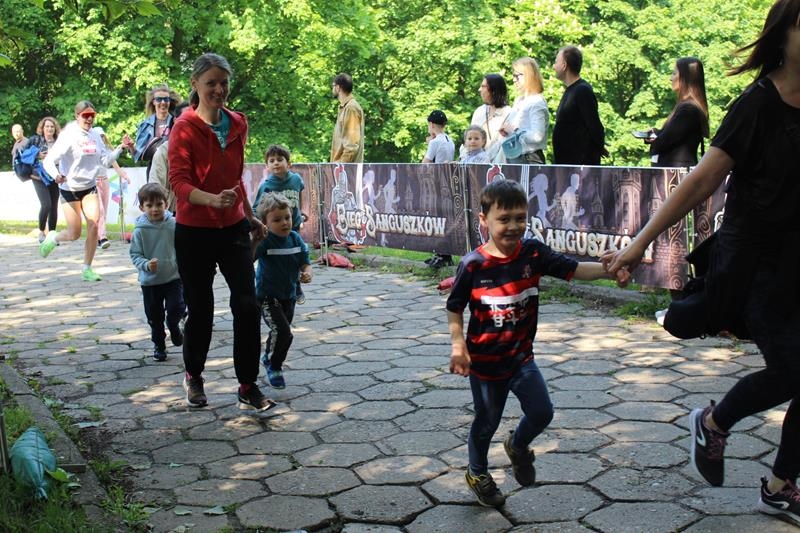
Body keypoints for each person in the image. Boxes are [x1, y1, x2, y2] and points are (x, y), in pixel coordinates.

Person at [603, 1, 800, 526]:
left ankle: (780, 485)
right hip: (754, 262)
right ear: (783, 35)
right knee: (793, 369)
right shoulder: (757, 105)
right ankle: (715, 423)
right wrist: (639, 243)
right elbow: (700, 180)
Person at [447, 179, 628, 508]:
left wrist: (610, 271)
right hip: (486, 365)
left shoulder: (533, 253)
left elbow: (575, 269)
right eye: (504, 219)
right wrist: (458, 347)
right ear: (484, 220)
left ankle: (517, 446)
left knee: (542, 412)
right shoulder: (473, 264)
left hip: (521, 359)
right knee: (486, 423)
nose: (513, 226)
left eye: (520, 218)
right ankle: (477, 473)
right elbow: (455, 307)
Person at [168, 52, 274, 412]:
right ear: (195, 85)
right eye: (210, 82)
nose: (218, 89)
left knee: (246, 304)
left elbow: (235, 179)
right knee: (201, 309)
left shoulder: (238, 123)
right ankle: (194, 375)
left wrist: (249, 216)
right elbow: (179, 184)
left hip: (232, 228)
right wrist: (211, 200)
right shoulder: (183, 128)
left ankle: (247, 385)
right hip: (194, 231)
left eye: (223, 82)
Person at [40, 101, 131, 281]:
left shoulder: (95, 135)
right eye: (85, 116)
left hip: (89, 187)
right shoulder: (68, 135)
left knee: (94, 224)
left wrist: (120, 148)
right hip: (70, 188)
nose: (89, 119)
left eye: (92, 116)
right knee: (74, 233)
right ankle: (54, 238)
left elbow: (105, 160)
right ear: (77, 116)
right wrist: (56, 175)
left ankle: (87, 269)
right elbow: (48, 161)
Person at [253, 192, 312, 389]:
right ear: (265, 223)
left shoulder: (295, 239)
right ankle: (274, 366)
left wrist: (307, 273)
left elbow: (305, 262)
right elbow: (249, 258)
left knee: (279, 332)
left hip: (289, 296)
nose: (284, 223)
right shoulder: (265, 241)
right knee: (284, 332)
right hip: (268, 297)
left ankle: (268, 355)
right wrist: (254, 240)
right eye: (277, 220)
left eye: (287, 217)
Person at [129, 183, 185, 362]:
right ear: (141, 207)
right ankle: (159, 345)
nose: (155, 209)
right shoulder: (140, 230)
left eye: (159, 204)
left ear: (166, 204)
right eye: (149, 205)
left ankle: (174, 326)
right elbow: (135, 254)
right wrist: (146, 264)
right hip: (150, 282)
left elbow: (183, 247)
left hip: (173, 277)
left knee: (177, 308)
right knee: (154, 317)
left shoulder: (173, 224)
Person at [252, 144, 308, 304]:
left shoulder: (296, 179)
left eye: (280, 159)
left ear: (288, 163)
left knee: (294, 256)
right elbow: (257, 208)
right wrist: (261, 225)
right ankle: (270, 288)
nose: (276, 163)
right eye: (272, 161)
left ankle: (296, 286)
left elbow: (299, 193)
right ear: (267, 166)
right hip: (274, 230)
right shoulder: (267, 186)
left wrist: (301, 211)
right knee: (279, 257)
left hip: (293, 225)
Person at [642, 57, 709, 167]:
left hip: (676, 173)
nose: (671, 78)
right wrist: (656, 133)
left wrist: (655, 139)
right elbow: (673, 136)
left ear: (685, 77)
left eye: (674, 73)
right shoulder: (688, 107)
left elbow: (664, 142)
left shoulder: (688, 110)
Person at [552, 46, 606, 165]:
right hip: (567, 164)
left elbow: (594, 125)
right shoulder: (571, 90)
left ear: (564, 65)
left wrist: (599, 146)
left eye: (556, 62)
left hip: (579, 166)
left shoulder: (582, 90)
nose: (553, 66)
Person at [499, 57, 549, 164]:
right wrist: (507, 131)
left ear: (529, 76)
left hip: (530, 158)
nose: (514, 80)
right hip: (516, 156)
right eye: (513, 76)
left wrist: (515, 131)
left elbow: (538, 136)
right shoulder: (520, 100)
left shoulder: (537, 102)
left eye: (517, 76)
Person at [422, 110, 455, 269]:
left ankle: (442, 254)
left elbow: (425, 163)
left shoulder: (434, 142)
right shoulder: (450, 140)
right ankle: (443, 254)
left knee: (437, 219)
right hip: (447, 182)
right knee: (445, 218)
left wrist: (429, 144)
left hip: (435, 182)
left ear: (431, 124)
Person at [149, 101, 191, 213]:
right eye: (187, 118)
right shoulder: (164, 152)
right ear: (175, 121)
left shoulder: (207, 147)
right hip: (174, 214)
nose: (191, 122)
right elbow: (156, 189)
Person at [24, 117, 61, 243]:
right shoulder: (35, 140)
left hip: (55, 176)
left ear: (55, 128)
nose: (50, 128)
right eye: (47, 126)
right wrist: (37, 155)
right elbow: (24, 155)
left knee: (54, 206)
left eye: (52, 126)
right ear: (42, 128)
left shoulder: (59, 142)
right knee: (46, 204)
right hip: (39, 177)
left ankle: (52, 235)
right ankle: (41, 231)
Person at [92, 126, 130, 249]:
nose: (101, 139)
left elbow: (115, 166)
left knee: (104, 210)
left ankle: (99, 238)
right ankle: (102, 237)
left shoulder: (107, 150)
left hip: (104, 182)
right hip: (93, 183)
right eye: (99, 137)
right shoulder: (90, 150)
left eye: (102, 136)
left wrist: (125, 176)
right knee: (100, 211)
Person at [132, 84, 181, 164]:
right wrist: (131, 147)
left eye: (166, 99)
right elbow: (138, 156)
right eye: (159, 99)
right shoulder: (145, 125)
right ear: (153, 102)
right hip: (154, 167)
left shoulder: (178, 121)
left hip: (175, 165)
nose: (163, 102)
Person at [468, 74, 512, 162]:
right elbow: (470, 139)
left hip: (499, 165)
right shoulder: (479, 112)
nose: (479, 89)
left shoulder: (509, 113)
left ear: (493, 90)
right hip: (478, 163)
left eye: (483, 86)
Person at [330, 73, 365, 163]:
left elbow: (351, 146)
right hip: (342, 168)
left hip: (346, 170)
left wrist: (341, 167)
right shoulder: (346, 107)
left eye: (333, 86)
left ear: (338, 88)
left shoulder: (351, 108)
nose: (332, 89)